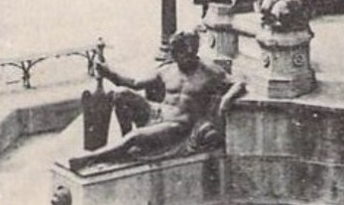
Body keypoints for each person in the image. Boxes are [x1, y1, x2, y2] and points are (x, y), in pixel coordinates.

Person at [67, 32, 245, 172]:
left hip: (177, 124)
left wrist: (226, 100)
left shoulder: (209, 71)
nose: (188, 57)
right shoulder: (167, 69)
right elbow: (134, 83)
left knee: (135, 138)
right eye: (183, 54)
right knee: (121, 94)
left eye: (191, 53)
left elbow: (238, 82)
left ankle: (90, 158)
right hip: (156, 112)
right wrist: (108, 72)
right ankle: (125, 147)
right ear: (175, 53)